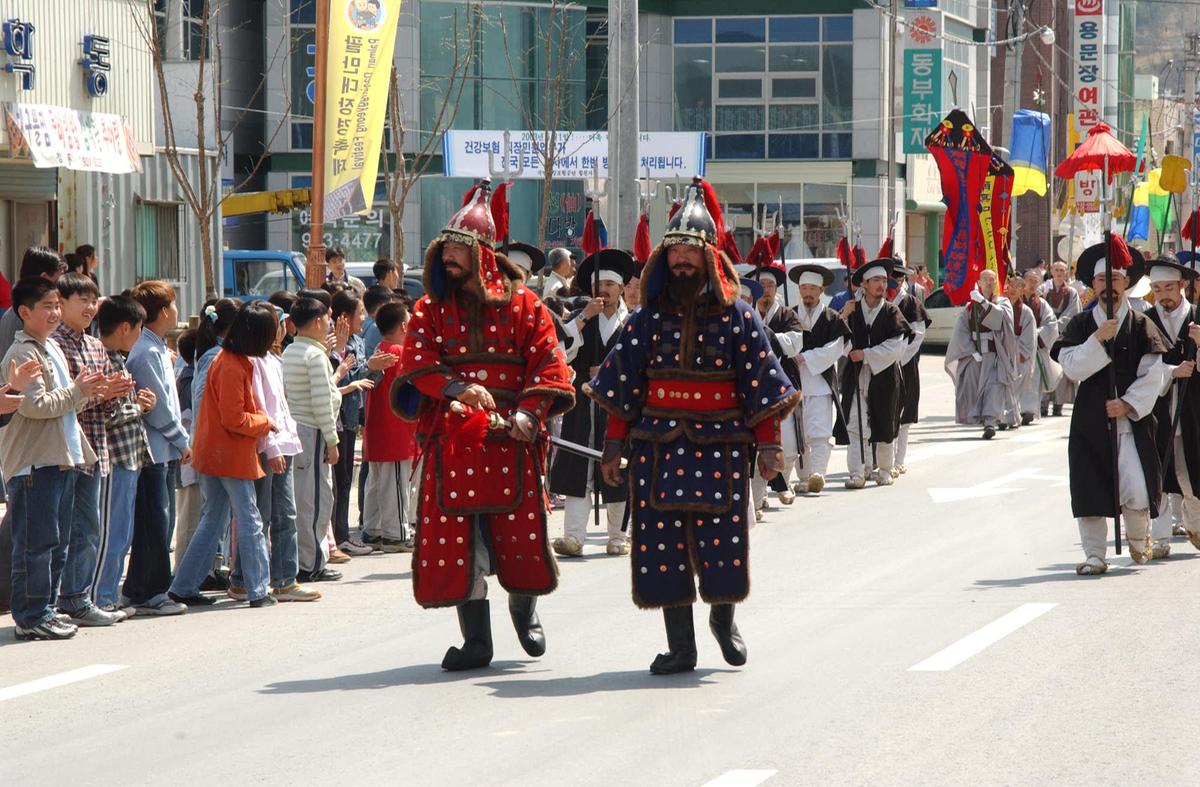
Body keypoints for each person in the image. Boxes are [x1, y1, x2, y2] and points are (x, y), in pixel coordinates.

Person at [587, 177, 799, 674]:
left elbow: (762, 389)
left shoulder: (740, 318)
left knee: (722, 545)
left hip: (722, 447)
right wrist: (613, 449)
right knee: (662, 551)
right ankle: (681, 646)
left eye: (691, 254)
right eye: (675, 254)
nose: (682, 262)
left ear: (708, 259)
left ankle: (724, 621)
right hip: (657, 451)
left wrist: (769, 449)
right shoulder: (645, 320)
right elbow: (622, 389)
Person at [392, 180, 574, 671]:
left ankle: (525, 611)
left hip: (512, 441)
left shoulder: (527, 306)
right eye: (444, 252)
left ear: (483, 257)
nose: (448, 261)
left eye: (457, 252)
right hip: (454, 443)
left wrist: (528, 415)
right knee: (459, 545)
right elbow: (417, 361)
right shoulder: (430, 307)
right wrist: (458, 390)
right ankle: (477, 642)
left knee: (519, 537)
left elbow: (549, 367)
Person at [1051, 238, 1168, 573]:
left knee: (1137, 489)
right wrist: (1097, 339)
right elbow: (1071, 367)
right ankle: (1094, 554)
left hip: (1130, 422)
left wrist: (1129, 404)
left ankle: (1137, 538)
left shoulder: (1143, 324)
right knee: (1089, 488)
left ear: (1126, 282)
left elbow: (1153, 374)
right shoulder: (1081, 325)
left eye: (1115, 280)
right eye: (1102, 281)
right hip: (1090, 420)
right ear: (1093, 285)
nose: (1109, 287)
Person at [2, 277, 104, 639]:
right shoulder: (22, 353)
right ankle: (30, 617)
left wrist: (85, 391)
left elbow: (67, 402)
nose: (55, 313)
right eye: (47, 306)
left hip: (61, 457)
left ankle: (45, 608)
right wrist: (78, 390)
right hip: (35, 461)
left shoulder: (51, 348)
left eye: (57, 306)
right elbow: (35, 406)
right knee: (36, 544)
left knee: (56, 541)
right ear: (24, 312)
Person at [168, 302, 279, 608]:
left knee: (213, 519)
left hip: (214, 452)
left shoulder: (226, 359)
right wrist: (266, 423)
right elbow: (236, 418)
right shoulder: (230, 364)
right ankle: (258, 589)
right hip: (228, 454)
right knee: (250, 519)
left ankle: (183, 586)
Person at [52, 273, 133, 628]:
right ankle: (59, 601)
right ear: (62, 303)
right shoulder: (55, 344)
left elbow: (101, 405)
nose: (89, 307)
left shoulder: (96, 346)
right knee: (61, 531)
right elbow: (58, 402)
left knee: (88, 529)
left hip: (97, 446)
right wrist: (97, 392)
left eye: (93, 300)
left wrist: (114, 394)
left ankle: (77, 599)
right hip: (65, 450)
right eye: (81, 300)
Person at [549, 249, 634, 557]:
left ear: (622, 288)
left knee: (619, 467)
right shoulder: (581, 315)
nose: (605, 290)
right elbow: (560, 350)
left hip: (619, 406)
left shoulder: (633, 322)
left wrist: (612, 373)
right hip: (584, 403)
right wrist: (584, 318)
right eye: (600, 284)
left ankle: (617, 535)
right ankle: (573, 536)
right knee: (579, 465)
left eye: (611, 284)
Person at [124, 281, 190, 616]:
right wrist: (183, 440)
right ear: (164, 311)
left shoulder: (156, 347)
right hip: (154, 449)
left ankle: (139, 587)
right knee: (155, 522)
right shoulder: (147, 351)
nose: (176, 311)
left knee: (157, 520)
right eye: (173, 305)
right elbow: (158, 406)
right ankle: (153, 590)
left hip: (163, 448)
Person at [92, 296, 156, 616]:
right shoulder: (103, 360)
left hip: (128, 457)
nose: (140, 335)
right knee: (112, 533)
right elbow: (107, 414)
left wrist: (138, 403)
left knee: (120, 532)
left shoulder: (116, 357)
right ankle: (102, 597)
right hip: (115, 458)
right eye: (139, 328)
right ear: (124, 327)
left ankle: (106, 595)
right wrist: (139, 406)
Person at [282, 297, 346, 584]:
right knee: (318, 500)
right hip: (314, 432)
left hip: (296, 430)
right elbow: (322, 400)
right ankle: (313, 564)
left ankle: (302, 560)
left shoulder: (290, 352)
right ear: (319, 321)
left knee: (301, 499)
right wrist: (332, 441)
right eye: (327, 320)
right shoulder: (316, 356)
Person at [837, 258, 912, 488]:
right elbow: (838, 339)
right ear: (864, 285)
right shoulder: (852, 309)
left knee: (885, 421)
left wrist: (867, 355)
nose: (881, 285)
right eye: (876, 281)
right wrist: (843, 317)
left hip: (884, 374)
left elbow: (896, 346)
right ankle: (857, 472)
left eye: (883, 280)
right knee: (854, 422)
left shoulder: (892, 311)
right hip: (856, 375)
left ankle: (885, 469)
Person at [1144, 257, 1200, 560]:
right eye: (1157, 288)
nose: (1163, 294)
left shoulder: (1197, 317)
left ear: (1182, 286)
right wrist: (1169, 372)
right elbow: (1140, 366)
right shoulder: (1145, 321)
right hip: (1158, 406)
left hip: (1193, 409)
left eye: (1169, 287)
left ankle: (1195, 525)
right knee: (1158, 471)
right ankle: (1161, 536)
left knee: (1192, 469)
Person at [786, 264, 849, 493]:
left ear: (821, 290)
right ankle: (803, 478)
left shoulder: (832, 318)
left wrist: (806, 357)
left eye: (813, 288)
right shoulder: (790, 315)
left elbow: (836, 348)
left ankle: (818, 474)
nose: (808, 293)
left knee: (820, 432)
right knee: (798, 433)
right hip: (794, 383)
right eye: (804, 288)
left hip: (820, 383)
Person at [362, 301, 417, 552]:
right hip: (395, 428)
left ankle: (372, 529)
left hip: (378, 427)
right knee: (395, 483)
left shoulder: (382, 348)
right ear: (404, 325)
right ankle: (396, 534)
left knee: (376, 482)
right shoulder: (398, 351)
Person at [751, 264, 805, 509]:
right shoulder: (748, 314)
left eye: (770, 285)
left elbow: (795, 344)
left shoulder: (787, 315)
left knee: (788, 443)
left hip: (781, 382)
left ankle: (784, 480)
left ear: (776, 289)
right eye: (761, 285)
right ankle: (760, 496)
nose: (765, 290)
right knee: (758, 445)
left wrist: (766, 333)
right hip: (753, 387)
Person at [944, 269, 1018, 439]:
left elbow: (1000, 321)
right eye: (986, 279)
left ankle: (990, 422)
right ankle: (982, 419)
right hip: (976, 355)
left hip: (995, 354)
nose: (990, 282)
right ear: (979, 282)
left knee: (993, 387)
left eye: (993, 279)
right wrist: (970, 351)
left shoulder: (1003, 302)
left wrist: (984, 303)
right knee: (976, 389)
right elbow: (961, 332)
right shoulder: (970, 309)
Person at [889, 264, 931, 475]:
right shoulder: (882, 301)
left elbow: (918, 334)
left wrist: (900, 357)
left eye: (898, 280)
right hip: (883, 364)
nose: (894, 284)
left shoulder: (910, 302)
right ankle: (883, 458)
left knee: (904, 414)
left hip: (905, 363)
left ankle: (899, 459)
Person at [0, 247, 68, 359]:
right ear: (44, 278)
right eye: (59, 280)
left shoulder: (14, 313)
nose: (62, 287)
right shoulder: (26, 316)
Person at [1020, 268, 1061, 425]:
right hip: (1017, 348)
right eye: (1029, 281)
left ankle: (1029, 411)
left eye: (1035, 282)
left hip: (1035, 347)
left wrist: (1036, 333)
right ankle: (1013, 410)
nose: (1032, 284)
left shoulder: (1042, 303)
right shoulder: (1014, 301)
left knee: (1032, 379)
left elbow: (1051, 323)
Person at [1003, 275, 1037, 428]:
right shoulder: (1001, 306)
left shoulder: (1026, 312)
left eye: (1017, 286)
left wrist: (1020, 353)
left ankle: (1013, 416)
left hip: (1018, 353)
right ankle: (1004, 417)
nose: (1012, 289)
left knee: (1016, 387)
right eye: (1011, 285)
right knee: (1002, 386)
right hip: (1002, 350)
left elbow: (1029, 336)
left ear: (1022, 290)